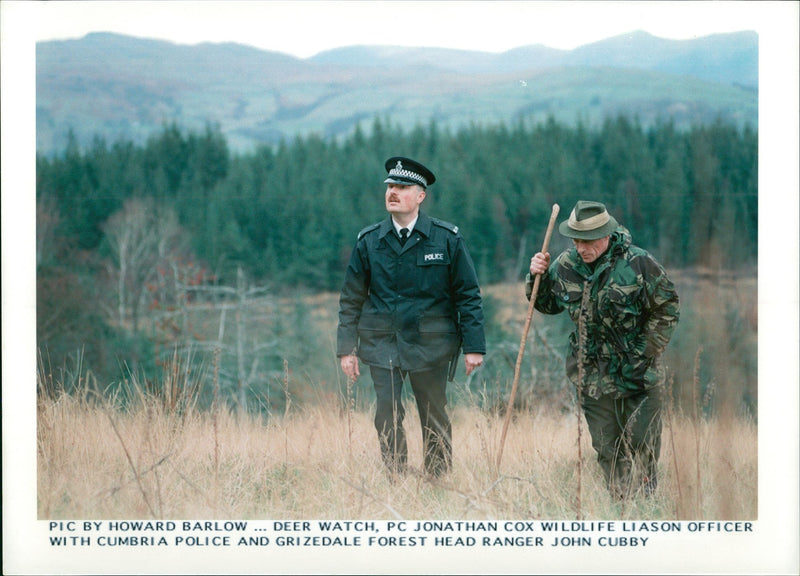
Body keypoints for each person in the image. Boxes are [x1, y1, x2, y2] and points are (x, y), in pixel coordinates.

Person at [337, 157, 486, 478]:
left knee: (434, 414)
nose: (393, 192)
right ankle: (396, 476)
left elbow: (468, 294)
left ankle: (438, 479)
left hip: (430, 343)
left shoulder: (446, 239)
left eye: (402, 187)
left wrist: (475, 346)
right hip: (381, 342)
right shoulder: (369, 241)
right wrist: (346, 348)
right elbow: (351, 298)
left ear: (421, 196)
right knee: (386, 414)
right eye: (390, 186)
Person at [527, 200, 680, 498]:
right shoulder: (565, 265)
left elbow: (668, 308)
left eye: (589, 240)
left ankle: (645, 506)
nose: (582, 247)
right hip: (592, 375)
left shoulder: (639, 263)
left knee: (642, 442)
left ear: (607, 234)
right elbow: (545, 304)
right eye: (576, 240)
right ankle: (620, 506)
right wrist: (537, 276)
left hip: (639, 374)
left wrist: (644, 352)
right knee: (607, 447)